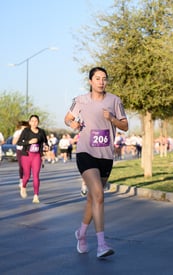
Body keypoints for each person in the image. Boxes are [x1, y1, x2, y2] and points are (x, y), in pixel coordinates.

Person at [64, 66, 128, 258]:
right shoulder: (80, 100)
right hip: (86, 152)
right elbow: (67, 119)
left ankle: (81, 234)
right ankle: (101, 244)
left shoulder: (115, 101)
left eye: (104, 78)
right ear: (90, 81)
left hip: (106, 155)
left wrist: (113, 118)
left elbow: (125, 125)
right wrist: (73, 123)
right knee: (99, 194)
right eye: (97, 78)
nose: (101, 81)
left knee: (93, 199)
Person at [17, 115, 48, 204]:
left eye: (36, 121)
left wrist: (46, 147)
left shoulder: (41, 132)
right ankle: (23, 186)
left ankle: (36, 196)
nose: (34, 123)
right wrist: (29, 142)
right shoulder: (26, 131)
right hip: (26, 155)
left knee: (36, 176)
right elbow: (19, 142)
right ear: (29, 122)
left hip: (37, 156)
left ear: (38, 122)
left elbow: (45, 143)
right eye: (32, 121)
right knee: (27, 176)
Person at [12, 120, 29, 185]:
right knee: (21, 165)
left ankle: (26, 177)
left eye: (25, 127)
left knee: (27, 166)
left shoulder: (29, 132)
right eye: (23, 127)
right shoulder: (17, 132)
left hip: (28, 150)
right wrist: (20, 135)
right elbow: (13, 143)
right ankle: (21, 179)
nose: (24, 128)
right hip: (20, 150)